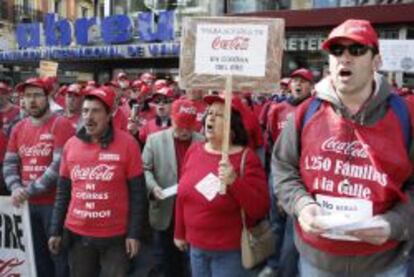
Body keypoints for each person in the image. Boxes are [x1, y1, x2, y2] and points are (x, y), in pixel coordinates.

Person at [272, 19, 414, 276]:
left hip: (384, 265)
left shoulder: (407, 115)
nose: (345, 58)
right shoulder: (306, 111)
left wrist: (395, 223)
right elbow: (283, 168)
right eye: (337, 51)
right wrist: (302, 205)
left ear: (376, 62)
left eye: (357, 50)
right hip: (316, 262)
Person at [48, 86, 147, 277]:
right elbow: (62, 193)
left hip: (116, 238)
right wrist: (55, 230)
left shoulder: (128, 144)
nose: (88, 116)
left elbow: (138, 195)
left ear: (109, 114)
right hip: (78, 236)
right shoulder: (70, 145)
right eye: (85, 111)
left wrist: (134, 234)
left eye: (95, 111)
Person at [174, 94, 269, 277]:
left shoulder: (245, 158)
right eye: (209, 113)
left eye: (219, 115)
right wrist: (179, 232)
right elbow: (182, 194)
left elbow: (260, 208)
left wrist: (235, 182)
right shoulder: (194, 150)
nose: (210, 117)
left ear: (233, 126)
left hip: (230, 253)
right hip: (196, 249)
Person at [4, 77, 74, 277]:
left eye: (37, 95)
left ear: (48, 97)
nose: (31, 101)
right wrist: (15, 187)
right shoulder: (18, 127)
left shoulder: (61, 124)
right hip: (26, 205)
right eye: (27, 96)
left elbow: (59, 165)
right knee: (36, 256)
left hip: (53, 204)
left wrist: (28, 190)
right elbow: (9, 164)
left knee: (58, 255)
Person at [259, 68, 314, 277]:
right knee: (276, 223)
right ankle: (274, 265)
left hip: (304, 175)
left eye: (303, 81)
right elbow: (271, 143)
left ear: (310, 86)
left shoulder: (316, 109)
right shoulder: (277, 109)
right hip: (279, 170)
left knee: (297, 227)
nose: (298, 85)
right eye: (295, 81)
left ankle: (290, 269)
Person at [143, 99, 204, 277]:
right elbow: (145, 169)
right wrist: (153, 188)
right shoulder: (155, 140)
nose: (185, 130)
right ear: (172, 119)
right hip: (165, 209)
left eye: (189, 125)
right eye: (180, 125)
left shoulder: (202, 141)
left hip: (192, 213)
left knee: (191, 264)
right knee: (164, 261)